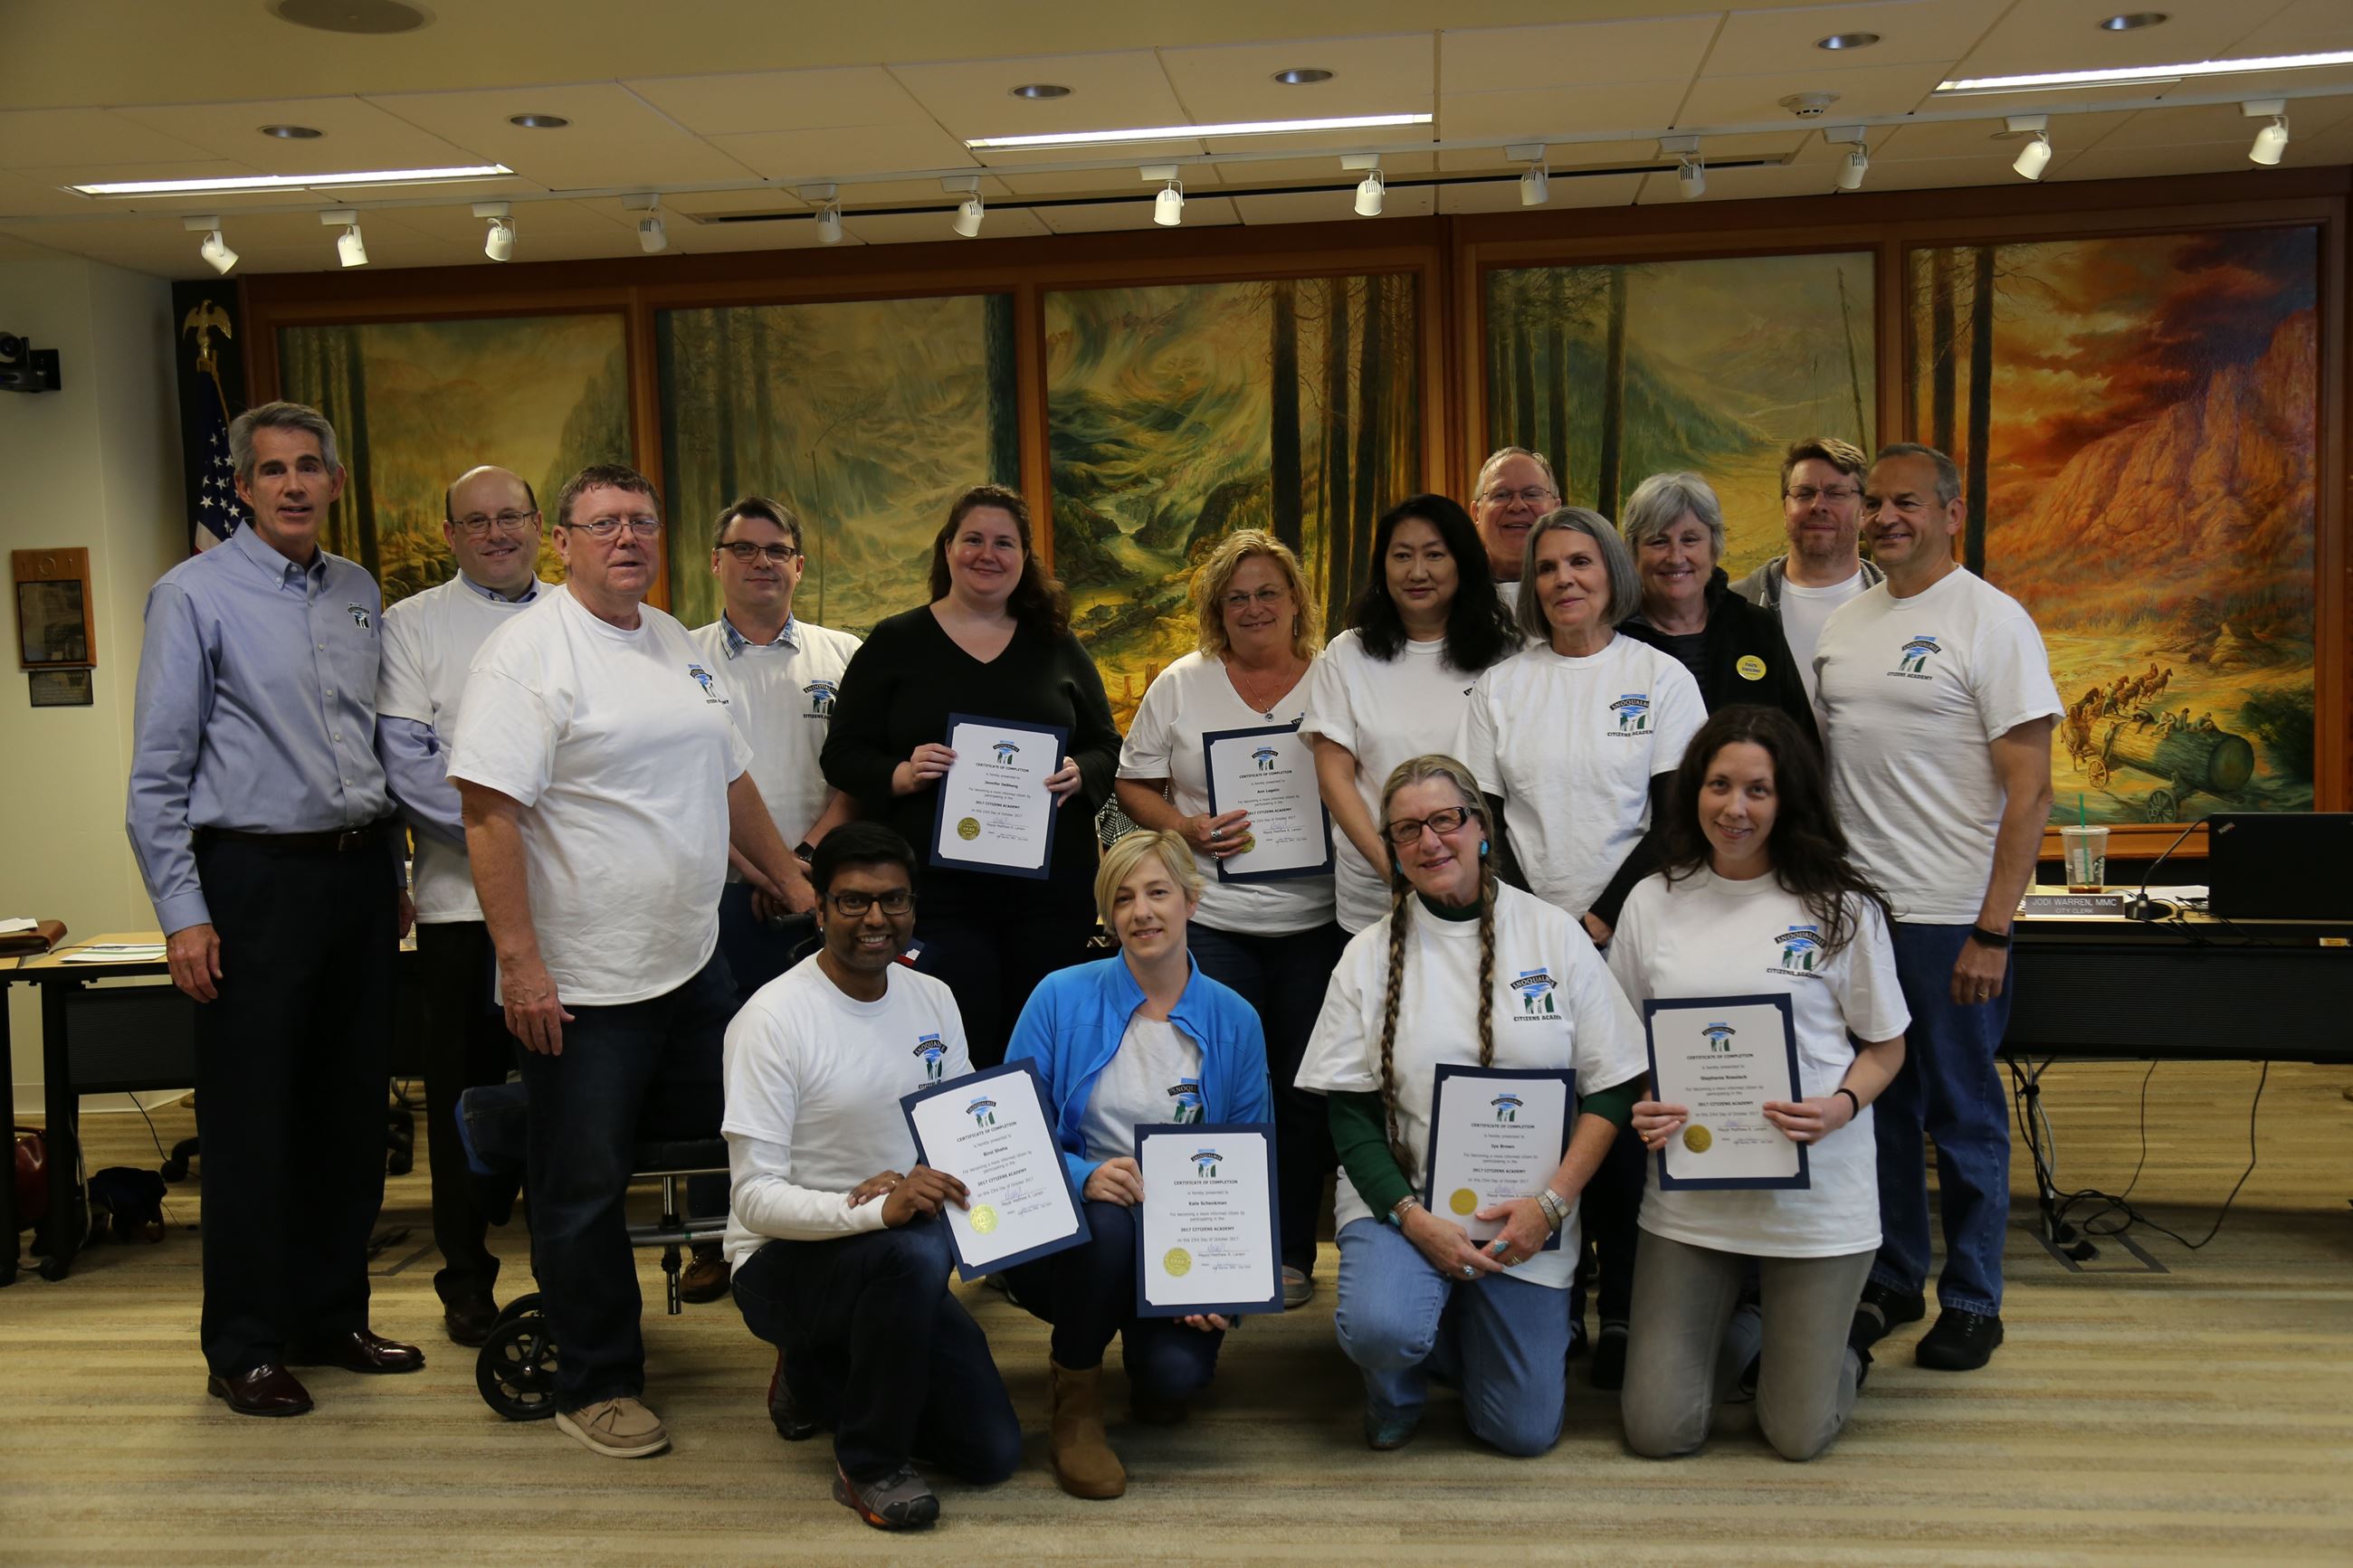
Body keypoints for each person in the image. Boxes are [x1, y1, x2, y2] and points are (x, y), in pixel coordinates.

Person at [448, 461, 816, 1459]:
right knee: (582, 1187)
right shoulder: (528, 655)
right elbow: (488, 817)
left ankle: (809, 1340)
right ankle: (597, 1379)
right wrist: (520, 967)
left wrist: (798, 887)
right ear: (562, 541)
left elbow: (730, 779)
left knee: (753, 1137)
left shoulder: (670, 642)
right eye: (604, 523)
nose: (627, 538)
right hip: (582, 983)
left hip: (694, 963)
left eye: (642, 522)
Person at [126, 399, 423, 1416]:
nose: (293, 484)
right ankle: (245, 1343)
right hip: (251, 881)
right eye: (272, 469)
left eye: (309, 466)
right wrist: (183, 912)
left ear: (334, 481)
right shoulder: (192, 594)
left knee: (351, 1112)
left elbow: (369, 746)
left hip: (356, 875)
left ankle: (331, 1315)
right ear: (244, 487)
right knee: (254, 1123)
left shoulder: (358, 590)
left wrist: (393, 873)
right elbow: (157, 773)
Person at [1295, 755, 1645, 1455]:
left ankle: (1451, 1324)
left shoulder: (1554, 935)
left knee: (1523, 1431)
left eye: (1445, 820)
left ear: (1481, 828)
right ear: (1393, 849)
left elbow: (1612, 1084)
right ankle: (1395, 1384)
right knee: (1383, 1328)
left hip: (1527, 1213)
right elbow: (1349, 1114)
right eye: (1407, 830)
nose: (1429, 841)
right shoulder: (1366, 956)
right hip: (1403, 1203)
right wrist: (1414, 1219)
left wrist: (1551, 1204)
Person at [1814, 442, 2060, 1373]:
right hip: (1857, 919)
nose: (1884, 517)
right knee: (1878, 1111)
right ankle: (1892, 1277)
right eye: (1873, 501)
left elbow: (2030, 789)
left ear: (1952, 513)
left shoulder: (1991, 622)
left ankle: (1973, 1297)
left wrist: (1992, 928)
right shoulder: (1844, 625)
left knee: (1962, 1115)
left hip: (1951, 916)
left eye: (1906, 502)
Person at [1610, 707, 1910, 1462]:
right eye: (1718, 785)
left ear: (1788, 798)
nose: (1734, 808)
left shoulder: (1840, 906)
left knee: (1797, 1434)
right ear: (1693, 790)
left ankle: (1843, 1346)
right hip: (1693, 1195)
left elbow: (1887, 1045)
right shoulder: (1652, 900)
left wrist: (1839, 1106)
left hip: (1817, 1198)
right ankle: (1751, 1327)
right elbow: (1626, 1042)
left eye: (1757, 789)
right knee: (1657, 1429)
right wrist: (1645, 1101)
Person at [1455, 506, 1706, 1388]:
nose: (1564, 579)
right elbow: (1481, 820)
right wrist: (1547, 924)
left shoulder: (1660, 677)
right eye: (1547, 566)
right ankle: (1550, 1302)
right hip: (1530, 940)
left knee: (1625, 1125)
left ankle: (1627, 1309)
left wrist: (1597, 917)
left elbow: (1676, 819)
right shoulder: (1499, 687)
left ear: (1611, 575)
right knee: (1543, 1122)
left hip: (1635, 935)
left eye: (1581, 562)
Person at [724, 824, 1021, 1531]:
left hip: (896, 1264)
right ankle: (870, 1462)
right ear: (820, 908)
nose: (876, 919)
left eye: (894, 899)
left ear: (914, 905)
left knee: (991, 1452)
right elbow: (753, 1198)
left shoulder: (934, 998)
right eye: (853, 901)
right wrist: (874, 1209)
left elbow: (963, 1130)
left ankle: (816, 1368)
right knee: (912, 1250)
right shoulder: (771, 1020)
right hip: (782, 1264)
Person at [1002, 828, 1270, 1498]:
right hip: (1072, 1239)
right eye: (1122, 898)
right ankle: (1076, 1402)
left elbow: (1249, 1159)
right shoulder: (1058, 996)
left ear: (1191, 901)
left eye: (1158, 892)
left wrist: (1223, 1281)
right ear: (1107, 914)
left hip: (1181, 1246)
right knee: (1109, 1221)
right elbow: (1011, 1132)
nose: (1142, 912)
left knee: (1173, 1382)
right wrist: (1081, 1175)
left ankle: (1139, 1347)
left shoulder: (1236, 1018)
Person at [820, 483, 1119, 1069]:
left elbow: (1107, 746)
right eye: (973, 539)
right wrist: (901, 773)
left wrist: (1079, 771)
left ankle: (1047, 1133)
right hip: (939, 896)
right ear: (948, 549)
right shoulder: (895, 642)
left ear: (1024, 557)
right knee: (954, 1045)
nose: (988, 554)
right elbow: (842, 753)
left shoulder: (1055, 644)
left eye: (1004, 543)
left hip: (1050, 896)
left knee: (1047, 1046)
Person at [1117, 529, 1341, 1309]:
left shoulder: (1335, 678)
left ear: (1296, 601)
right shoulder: (1182, 684)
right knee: (1214, 1082)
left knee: (1303, 1090)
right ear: (1217, 609)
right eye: (1236, 596)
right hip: (1214, 918)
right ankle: (1217, 1246)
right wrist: (1183, 828)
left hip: (1319, 920)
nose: (1253, 607)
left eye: (1267, 592)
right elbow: (1132, 784)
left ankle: (1290, 1252)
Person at [375, 462, 551, 1347]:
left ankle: (565, 1273)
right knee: (459, 1100)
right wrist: (512, 835)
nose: (495, 533)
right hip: (459, 912)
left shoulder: (582, 617)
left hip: (572, 913)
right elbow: (407, 766)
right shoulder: (412, 627)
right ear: (450, 534)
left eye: (509, 516)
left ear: (539, 525)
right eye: (475, 521)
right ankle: (467, 1276)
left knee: (566, 1102)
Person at [677, 494, 862, 1304]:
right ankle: (715, 1231)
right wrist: (758, 870)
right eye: (744, 548)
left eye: (776, 549)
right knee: (719, 1061)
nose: (761, 561)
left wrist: (801, 865)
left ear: (799, 564)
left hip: (826, 893)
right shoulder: (676, 654)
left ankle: (824, 1212)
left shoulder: (843, 655)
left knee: (824, 1060)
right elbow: (675, 784)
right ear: (716, 561)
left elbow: (858, 774)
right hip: (716, 895)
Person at [1305, 494, 1521, 936]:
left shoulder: (1505, 654)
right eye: (1402, 556)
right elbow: (1334, 779)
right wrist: (1397, 870)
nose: (1417, 572)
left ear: (1462, 562)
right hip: (1377, 895)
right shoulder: (1348, 654)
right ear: (1382, 567)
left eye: (1434, 555)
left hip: (1484, 887)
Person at [1615, 472, 1818, 749]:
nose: (1676, 557)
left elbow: (1801, 744)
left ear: (1714, 546)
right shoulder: (1613, 638)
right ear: (1633, 551)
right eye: (1658, 541)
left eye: (1690, 539)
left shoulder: (1756, 629)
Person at [1729, 437, 1884, 708]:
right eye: (1804, 493)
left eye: (1836, 493)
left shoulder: (1898, 605)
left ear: (1863, 511)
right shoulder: (1736, 606)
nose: (1818, 505)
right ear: (1785, 510)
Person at [1471, 446, 1561, 611]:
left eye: (1532, 494)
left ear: (1556, 509)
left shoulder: (1577, 589)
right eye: (1501, 495)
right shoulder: (1448, 593)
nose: (1517, 506)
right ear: (1476, 513)